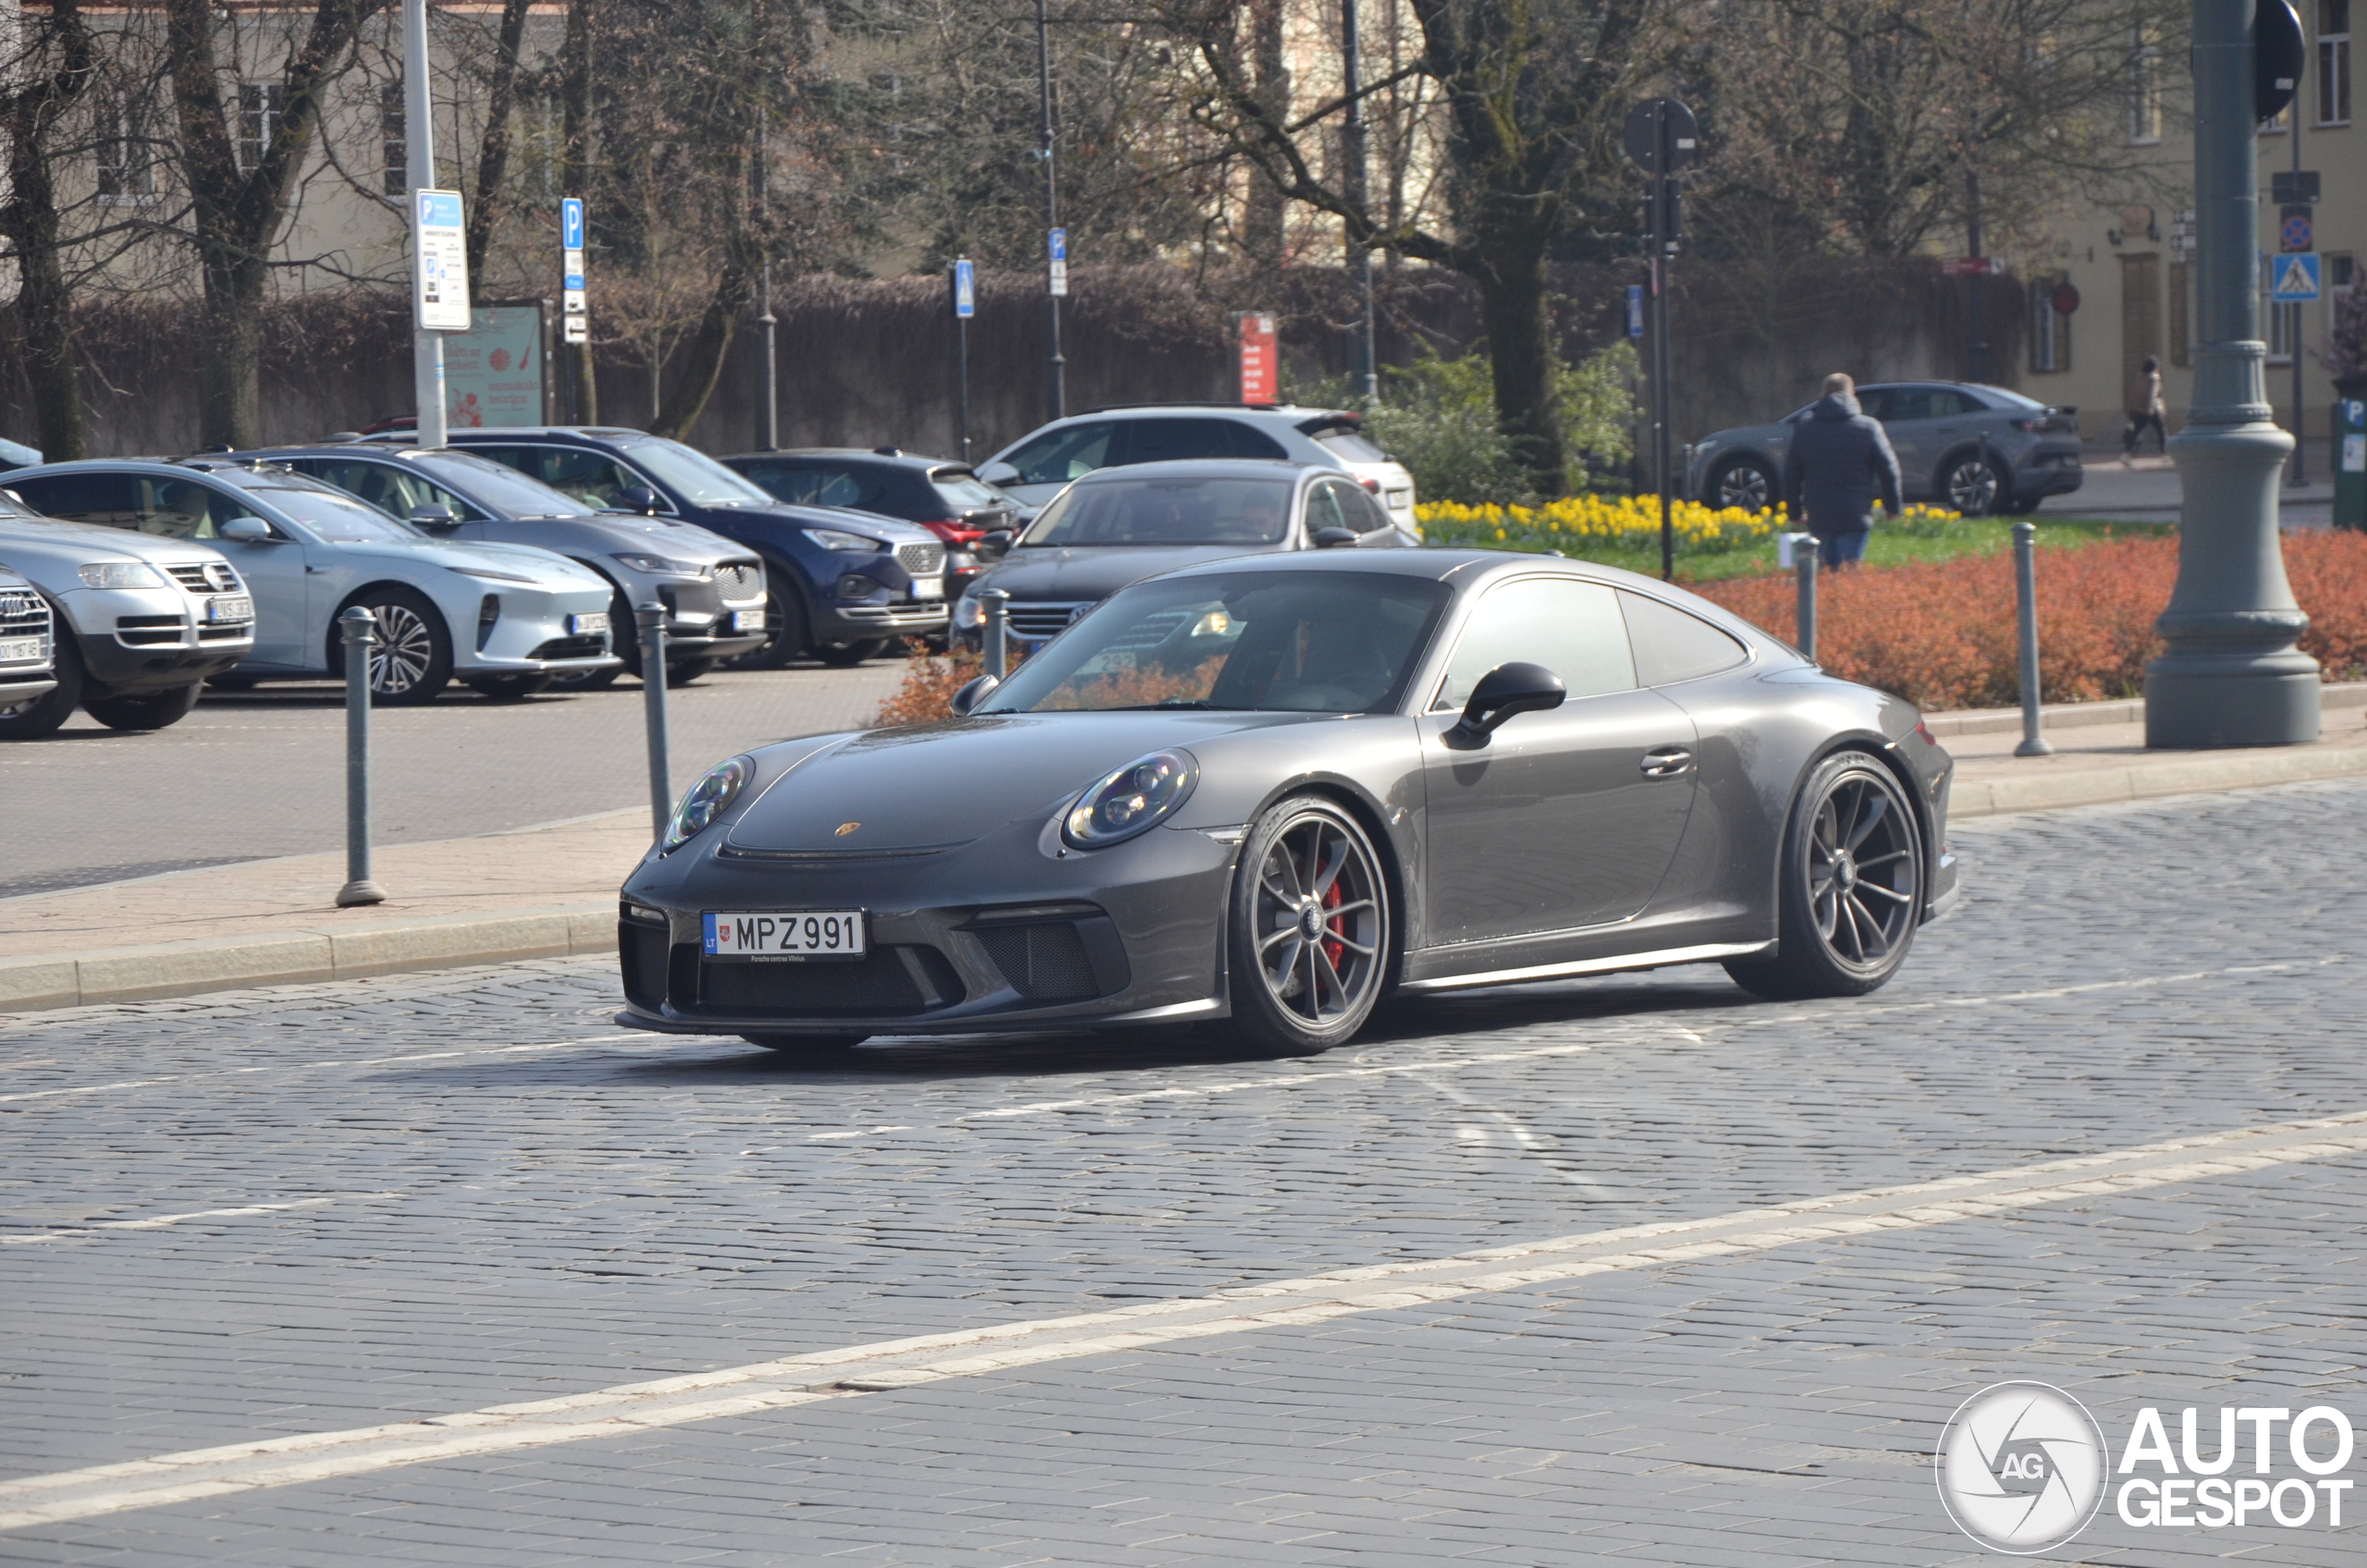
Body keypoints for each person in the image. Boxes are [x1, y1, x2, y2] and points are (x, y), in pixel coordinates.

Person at [1782, 372, 1903, 570]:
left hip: (1819, 517)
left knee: (1821, 577)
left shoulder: (1805, 429)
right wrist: (1893, 508)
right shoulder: (1869, 427)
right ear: (1852, 394)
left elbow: (1791, 475)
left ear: (1822, 395)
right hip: (1855, 515)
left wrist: (1794, 513)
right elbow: (1889, 470)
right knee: (1847, 578)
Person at [2123, 355, 2166, 462]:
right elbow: (2152, 394)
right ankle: (2165, 454)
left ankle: (2127, 455)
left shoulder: (2140, 377)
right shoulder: (2154, 378)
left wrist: (2133, 408)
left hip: (2138, 409)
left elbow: (2135, 393)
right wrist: (2150, 410)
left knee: (2136, 432)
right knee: (2161, 431)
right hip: (2152, 409)